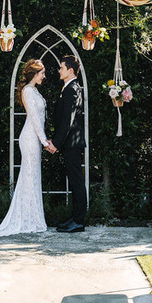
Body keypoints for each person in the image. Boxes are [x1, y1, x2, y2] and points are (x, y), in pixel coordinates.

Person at [0, 58, 54, 236]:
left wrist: (43, 140)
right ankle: (27, 220)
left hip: (34, 138)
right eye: (42, 73)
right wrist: (45, 140)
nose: (44, 76)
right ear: (35, 74)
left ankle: (33, 219)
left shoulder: (34, 90)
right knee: (29, 177)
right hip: (30, 138)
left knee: (32, 177)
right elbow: (35, 120)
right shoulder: (28, 91)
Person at [47, 55, 87, 233]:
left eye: (61, 68)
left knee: (77, 182)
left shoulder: (73, 89)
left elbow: (68, 121)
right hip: (69, 144)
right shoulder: (69, 87)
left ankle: (78, 221)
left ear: (70, 70)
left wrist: (56, 143)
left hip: (72, 144)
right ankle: (75, 218)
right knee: (74, 181)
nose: (59, 70)